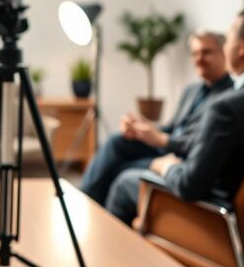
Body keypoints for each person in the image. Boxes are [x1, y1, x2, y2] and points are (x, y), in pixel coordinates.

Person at [106, 10, 244, 225]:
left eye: (228, 40)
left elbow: (189, 186)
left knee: (124, 183)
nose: (225, 47)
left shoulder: (226, 107)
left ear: (242, 48)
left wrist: (167, 166)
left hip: (220, 219)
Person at [79, 31, 232, 205]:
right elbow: (171, 128)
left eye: (206, 52)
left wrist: (161, 139)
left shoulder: (228, 100)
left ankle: (89, 206)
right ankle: (84, 201)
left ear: (224, 53)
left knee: (117, 169)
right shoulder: (192, 90)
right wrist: (142, 127)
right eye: (195, 53)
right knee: (117, 141)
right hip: (165, 147)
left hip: (180, 158)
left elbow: (199, 145)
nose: (199, 59)